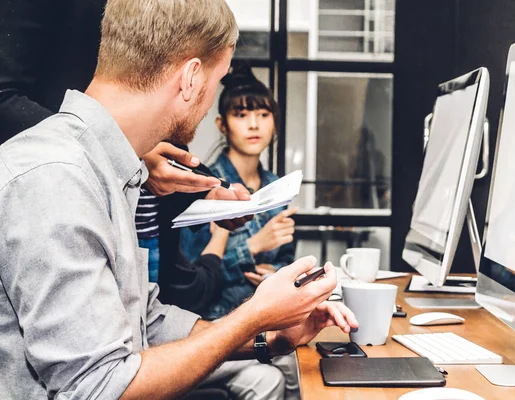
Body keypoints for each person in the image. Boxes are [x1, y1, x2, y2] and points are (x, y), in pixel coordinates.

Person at [0, 1, 358, 400]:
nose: (208, 106)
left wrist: (269, 335)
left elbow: (146, 325)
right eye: (217, 80)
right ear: (190, 78)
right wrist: (252, 316)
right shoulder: (54, 178)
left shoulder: (109, 167)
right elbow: (100, 388)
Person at [0, 0, 230, 286]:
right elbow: (4, 96)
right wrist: (118, 148)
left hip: (140, 216)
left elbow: (161, 97)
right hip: (61, 198)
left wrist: (198, 192)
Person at [175, 65, 301, 399]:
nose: (254, 124)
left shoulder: (277, 187)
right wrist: (254, 247)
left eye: (263, 113)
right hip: (214, 321)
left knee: (303, 360)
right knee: (285, 368)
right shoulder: (204, 185)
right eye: (242, 114)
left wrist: (276, 273)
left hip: (264, 318)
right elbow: (190, 274)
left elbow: (286, 257)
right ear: (222, 124)